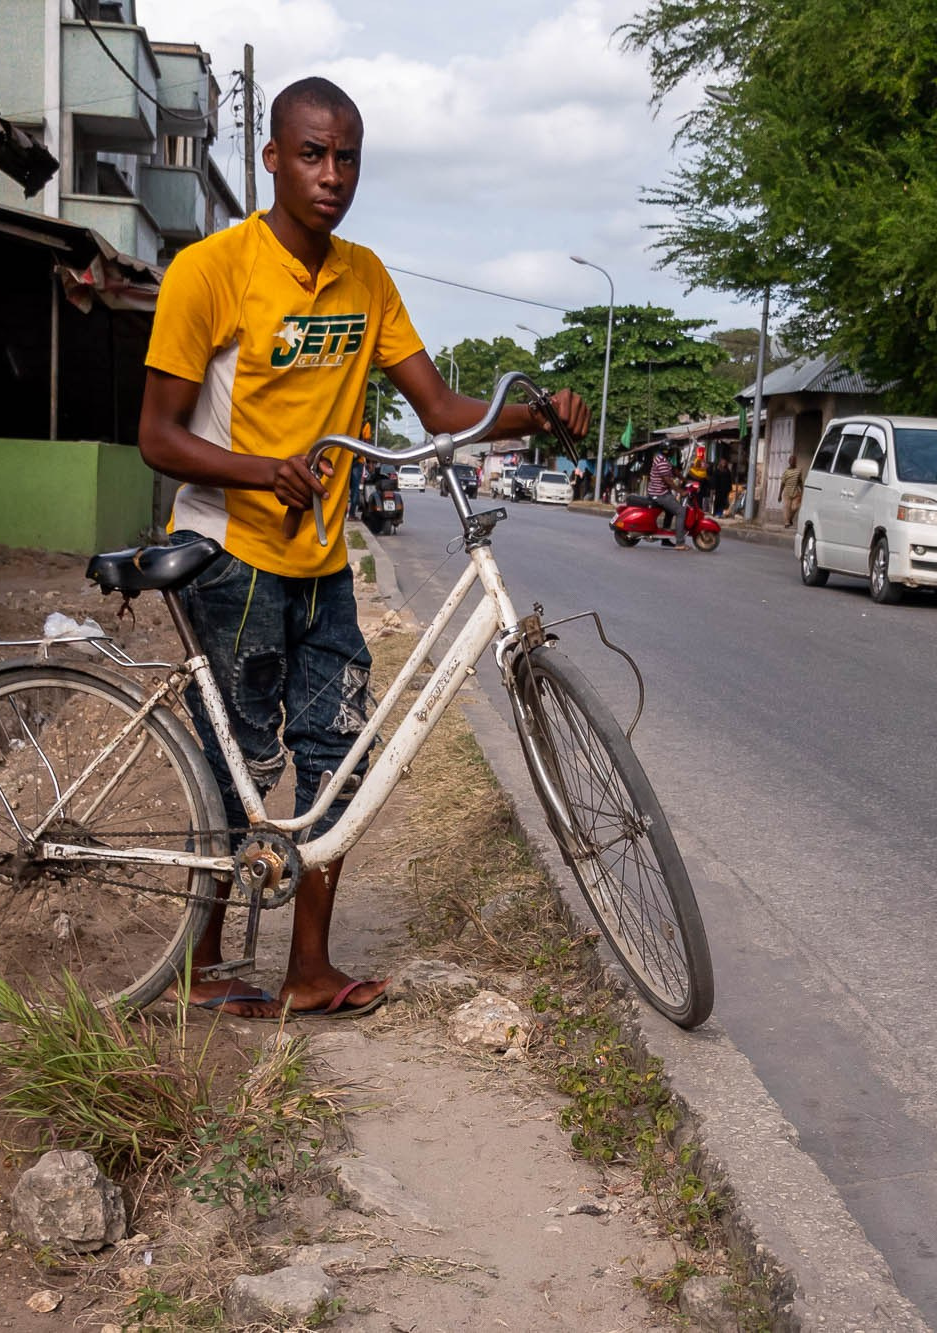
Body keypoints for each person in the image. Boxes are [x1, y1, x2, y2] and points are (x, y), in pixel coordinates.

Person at [136, 77, 587, 1018]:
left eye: (347, 157)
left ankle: (308, 970)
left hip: (322, 564)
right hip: (230, 555)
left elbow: (441, 410)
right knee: (240, 771)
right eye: (311, 153)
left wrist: (533, 416)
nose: (331, 174)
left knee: (340, 761)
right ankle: (204, 964)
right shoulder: (211, 271)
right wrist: (262, 470)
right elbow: (158, 435)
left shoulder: (366, 277)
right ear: (271, 158)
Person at [645, 445, 688, 548]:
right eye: (672, 450)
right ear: (667, 451)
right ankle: (680, 543)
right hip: (659, 494)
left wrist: (685, 480)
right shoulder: (662, 462)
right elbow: (668, 480)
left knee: (670, 510)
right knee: (681, 511)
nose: (674, 452)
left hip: (661, 493)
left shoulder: (664, 459)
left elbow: (674, 470)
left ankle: (665, 539)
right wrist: (680, 491)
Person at [778, 453, 804, 529]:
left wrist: (802, 492)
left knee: (795, 508)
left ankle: (790, 519)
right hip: (786, 493)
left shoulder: (798, 471)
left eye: (794, 460)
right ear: (789, 462)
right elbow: (782, 484)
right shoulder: (786, 472)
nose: (793, 462)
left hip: (796, 492)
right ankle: (787, 523)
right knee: (786, 508)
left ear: (796, 462)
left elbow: (800, 482)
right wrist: (779, 494)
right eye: (791, 460)